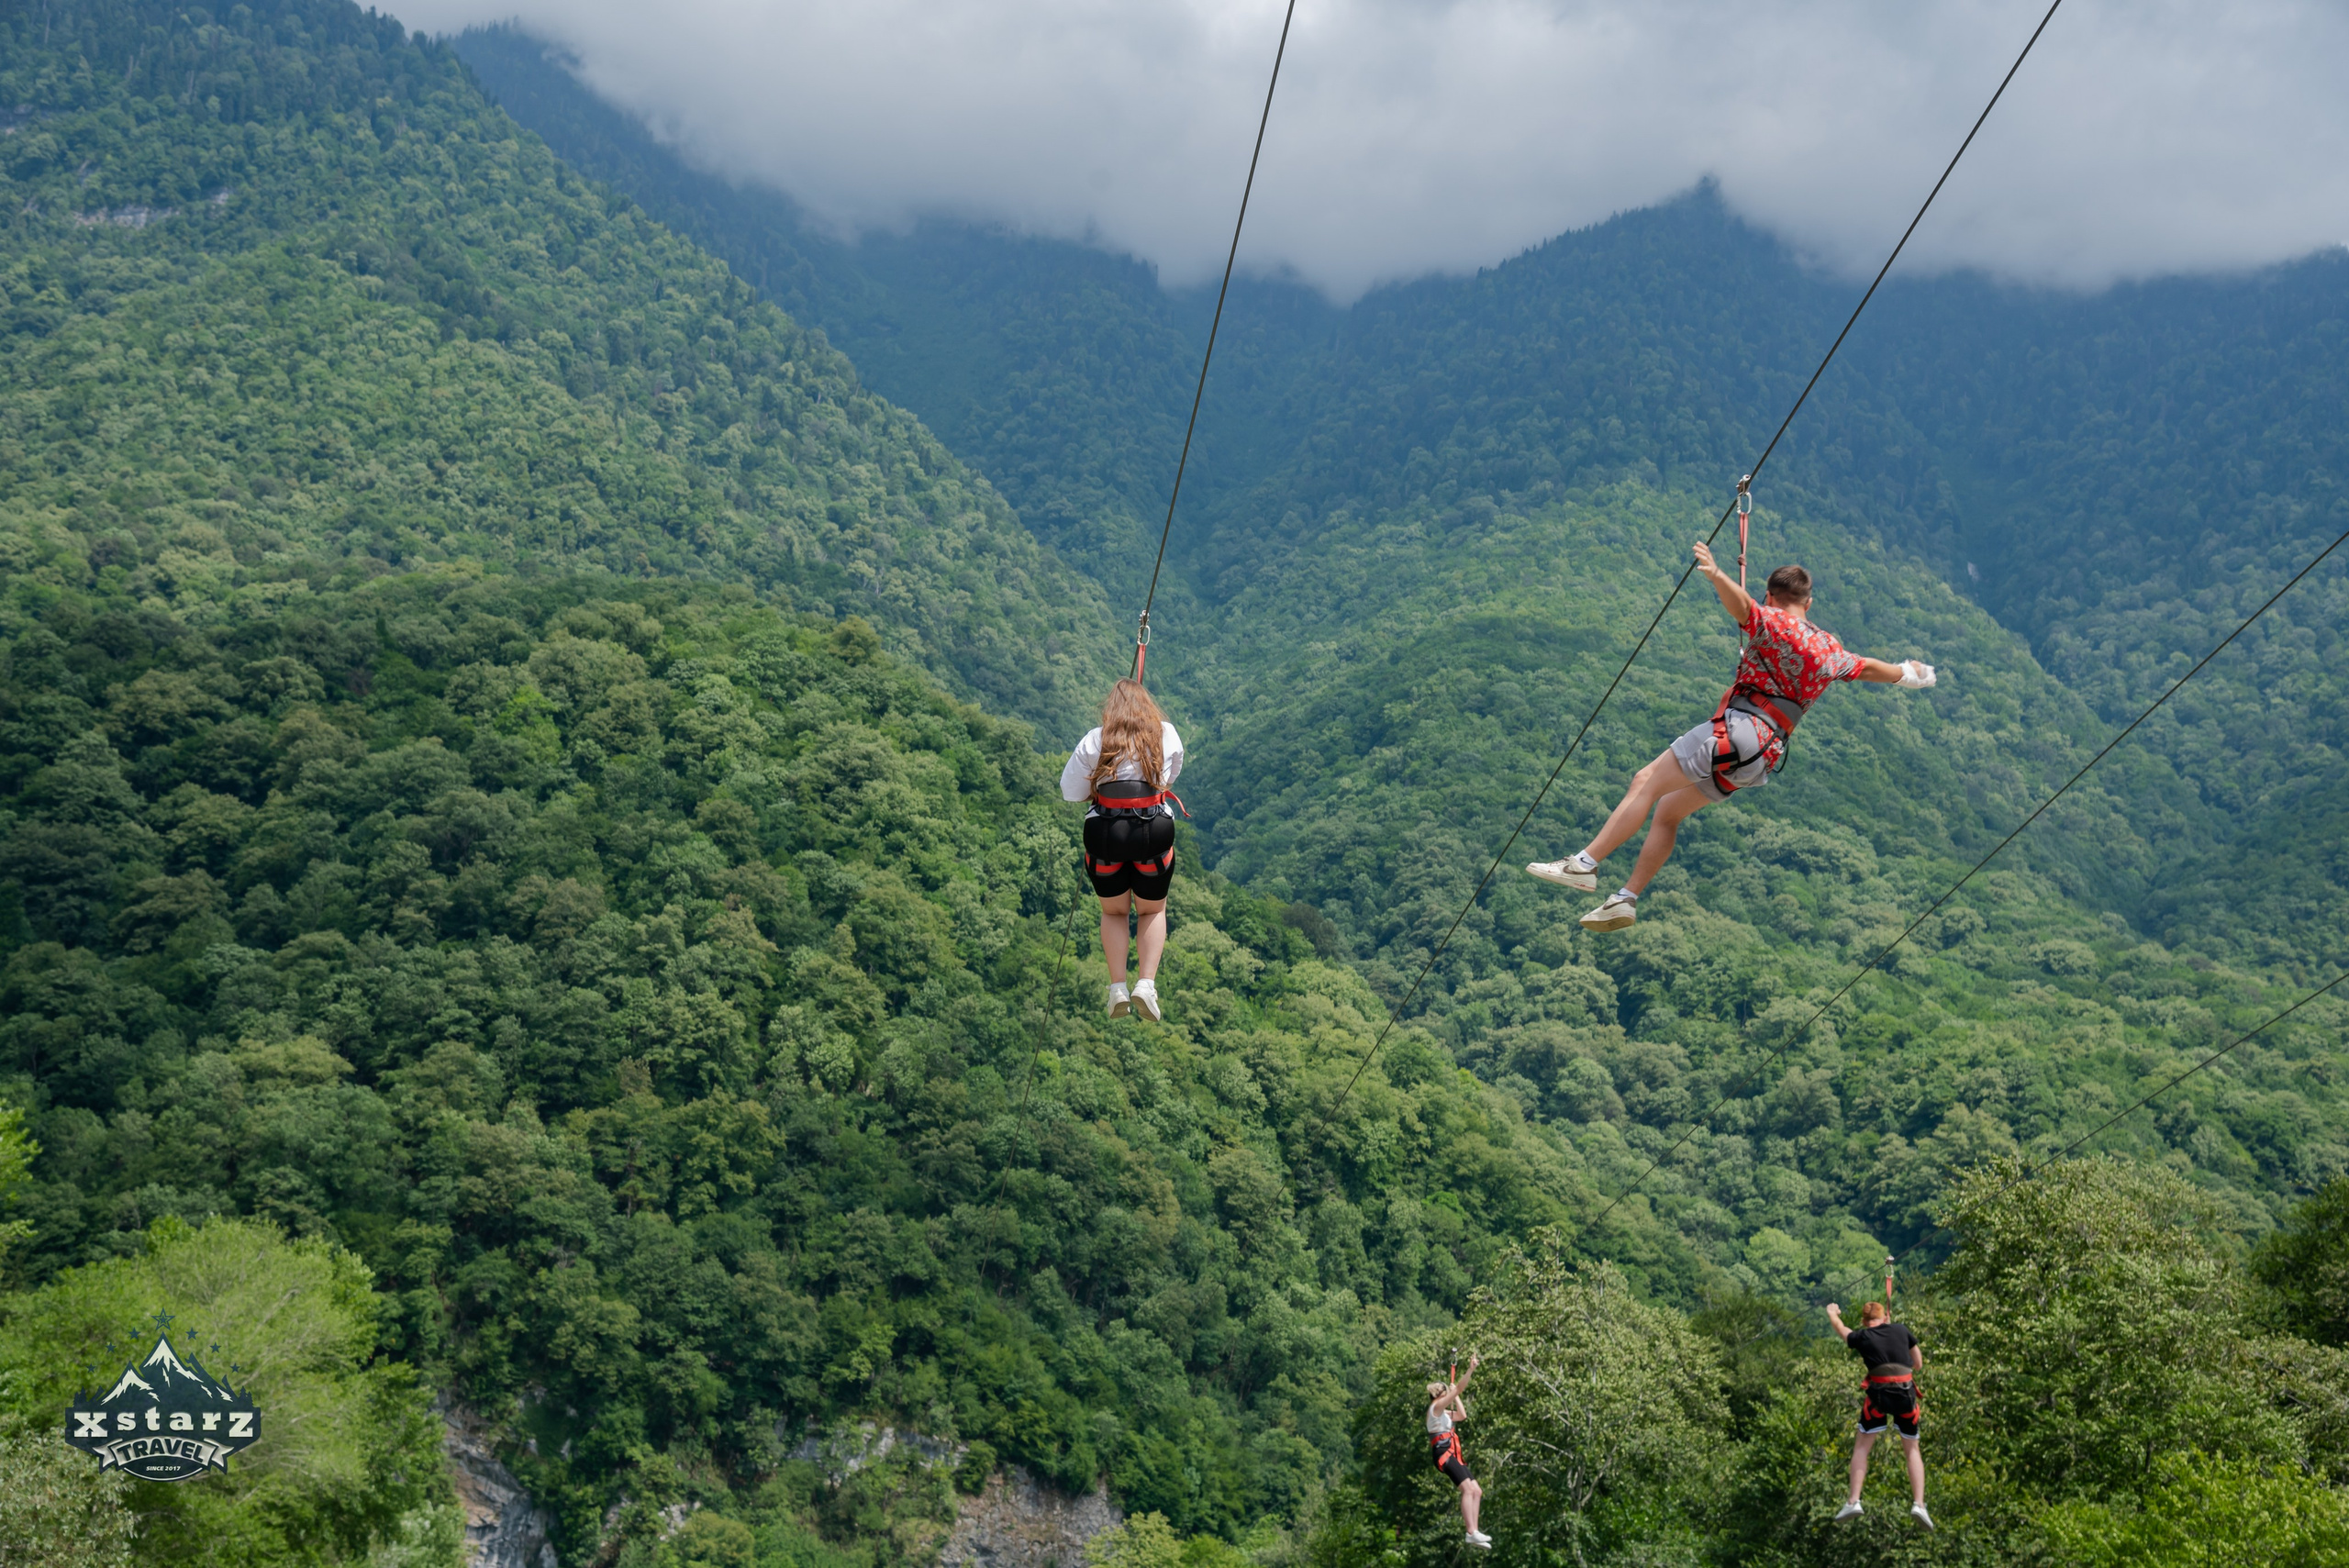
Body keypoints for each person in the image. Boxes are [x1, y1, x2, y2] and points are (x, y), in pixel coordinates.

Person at [1527, 541, 1938, 932]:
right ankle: (1626, 897)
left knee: (1645, 782)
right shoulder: (1829, 648)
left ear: (1771, 596)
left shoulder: (1772, 621)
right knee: (1668, 812)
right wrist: (1910, 674)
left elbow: (1744, 609)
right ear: (1808, 603)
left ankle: (1584, 864)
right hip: (1759, 758)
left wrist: (1718, 575)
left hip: (1737, 733)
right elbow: (1867, 667)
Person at [1061, 678, 1184, 1021]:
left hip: (1104, 834)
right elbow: (1168, 778)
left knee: (1114, 912)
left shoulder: (1096, 740)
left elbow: (1069, 791)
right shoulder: (1165, 734)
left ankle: (1117, 988)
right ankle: (1146, 984)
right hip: (1153, 832)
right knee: (1151, 911)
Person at [1824, 1300, 1931, 1529]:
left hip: (1878, 1397)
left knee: (1862, 1446)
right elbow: (1918, 1364)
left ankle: (1853, 1500)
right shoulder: (1902, 1330)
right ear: (1884, 1318)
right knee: (1912, 1448)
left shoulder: (1862, 1336)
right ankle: (1919, 1504)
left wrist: (1833, 1313)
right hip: (1905, 1397)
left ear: (1864, 1322)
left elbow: (1842, 1329)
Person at [1425, 1353, 1490, 1549]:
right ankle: (1470, 1532)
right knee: (1467, 1489)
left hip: (1452, 1452)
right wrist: (1470, 1370)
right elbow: (1460, 1387)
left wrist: (1456, 1395)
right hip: (1443, 1452)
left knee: (1476, 1490)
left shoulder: (1442, 1411)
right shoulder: (1436, 1408)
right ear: (1440, 1395)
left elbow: (1462, 1415)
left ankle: (1475, 1531)